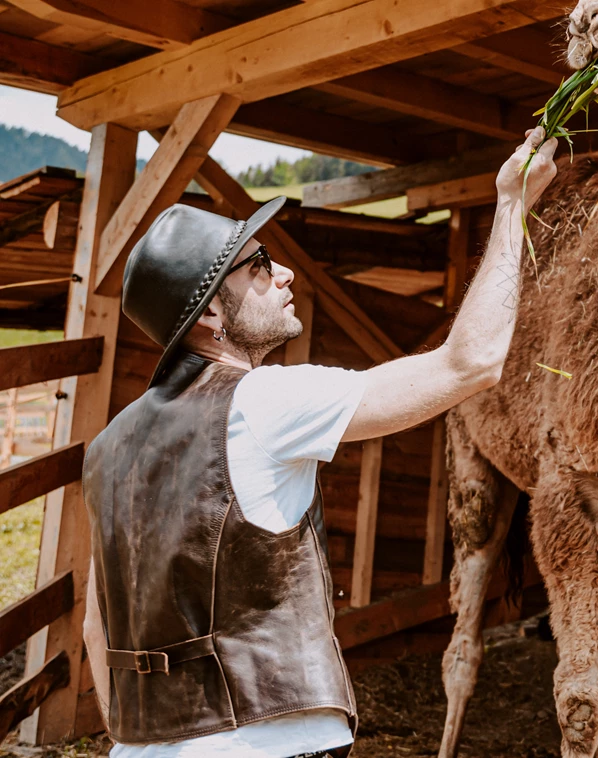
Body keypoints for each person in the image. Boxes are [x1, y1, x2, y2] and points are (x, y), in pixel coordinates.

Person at [81, 128, 558, 758]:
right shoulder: (264, 403)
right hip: (269, 744)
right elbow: (468, 365)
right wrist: (510, 205)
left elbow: (96, 627)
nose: (283, 273)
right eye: (257, 266)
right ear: (210, 319)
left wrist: (134, 739)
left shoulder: (107, 447)